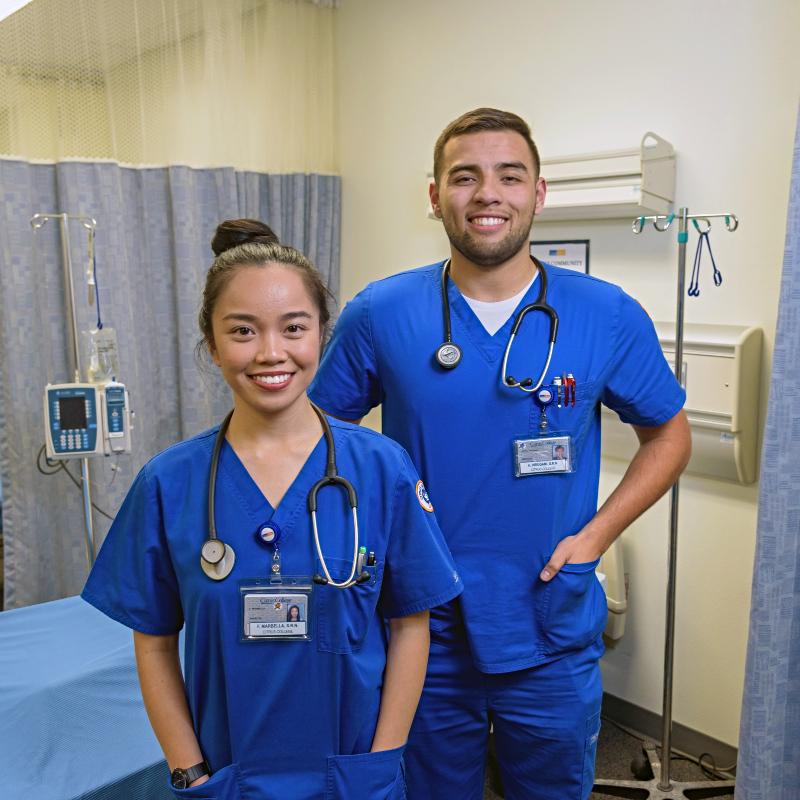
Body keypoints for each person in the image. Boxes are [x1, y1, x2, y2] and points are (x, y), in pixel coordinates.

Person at [308, 108, 691, 800]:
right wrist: (362, 544)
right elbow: (313, 439)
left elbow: (670, 435)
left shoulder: (606, 315)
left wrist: (596, 536)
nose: (488, 194)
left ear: (538, 194)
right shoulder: (382, 313)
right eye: (465, 177)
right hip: (420, 624)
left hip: (548, 620)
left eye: (510, 176)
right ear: (435, 196)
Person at [81, 219, 462, 800]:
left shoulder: (382, 468)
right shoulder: (169, 483)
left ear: (320, 336)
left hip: (354, 777)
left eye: (293, 327)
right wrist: (189, 771)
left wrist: (382, 761)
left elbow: (412, 622)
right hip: (229, 777)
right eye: (242, 331)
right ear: (211, 343)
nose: (270, 352)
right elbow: (153, 640)